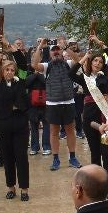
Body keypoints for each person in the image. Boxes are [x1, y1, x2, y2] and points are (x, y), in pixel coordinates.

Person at [0, 46, 37, 201]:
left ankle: (24, 189)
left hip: (20, 123)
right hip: (3, 124)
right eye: (7, 70)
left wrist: (14, 50)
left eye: (12, 70)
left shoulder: (21, 83)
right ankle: (11, 187)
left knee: (21, 157)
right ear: (2, 72)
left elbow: (24, 65)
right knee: (7, 156)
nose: (10, 72)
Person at [32, 39, 81, 171]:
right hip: (53, 103)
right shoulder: (47, 66)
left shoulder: (68, 63)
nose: (56, 52)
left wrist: (66, 48)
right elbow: (34, 64)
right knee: (54, 132)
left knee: (70, 131)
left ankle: (72, 157)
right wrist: (40, 47)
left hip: (69, 101)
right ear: (51, 53)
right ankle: (55, 159)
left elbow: (78, 60)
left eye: (57, 49)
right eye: (53, 50)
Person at [77, 43, 108, 180]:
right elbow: (71, 73)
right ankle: (97, 184)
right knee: (94, 152)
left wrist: (100, 43)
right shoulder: (84, 78)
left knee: (106, 152)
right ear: (91, 62)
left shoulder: (105, 76)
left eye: (100, 61)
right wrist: (85, 57)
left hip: (104, 117)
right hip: (89, 117)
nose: (98, 63)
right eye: (95, 60)